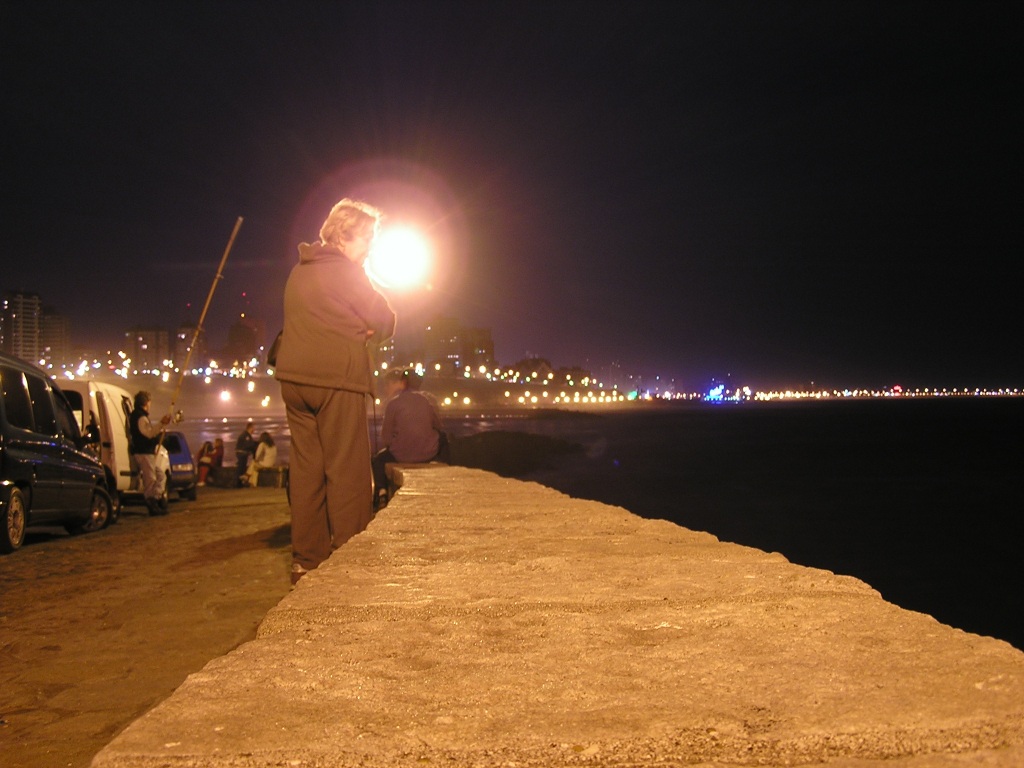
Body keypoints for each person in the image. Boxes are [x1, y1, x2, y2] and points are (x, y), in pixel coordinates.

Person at [274, 198, 396, 585]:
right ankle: (351, 558)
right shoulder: (346, 272)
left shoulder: (300, 270)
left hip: (294, 380)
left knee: (307, 471)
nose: (369, 250)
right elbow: (386, 320)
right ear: (345, 235)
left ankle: (305, 561)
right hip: (335, 380)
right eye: (367, 240)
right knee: (348, 470)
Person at [372, 368, 448, 508]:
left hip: (401, 455)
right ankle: (444, 465)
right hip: (427, 454)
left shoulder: (394, 403)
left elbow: (386, 436)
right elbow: (438, 426)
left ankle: (381, 493)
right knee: (443, 438)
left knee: (377, 460)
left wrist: (395, 444)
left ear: (403, 383)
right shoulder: (427, 401)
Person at [129, 390, 172, 516]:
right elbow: (149, 433)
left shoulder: (139, 416)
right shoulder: (140, 417)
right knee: (150, 479)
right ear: (146, 403)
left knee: (160, 476)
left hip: (147, 452)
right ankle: (151, 503)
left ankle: (158, 498)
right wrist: (161, 424)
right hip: (143, 452)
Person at [234, 421, 258, 487]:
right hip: (242, 454)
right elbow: (249, 445)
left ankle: (239, 483)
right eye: (253, 428)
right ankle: (237, 483)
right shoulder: (246, 435)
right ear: (250, 428)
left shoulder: (247, 435)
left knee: (242, 468)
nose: (254, 430)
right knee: (241, 468)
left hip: (243, 454)